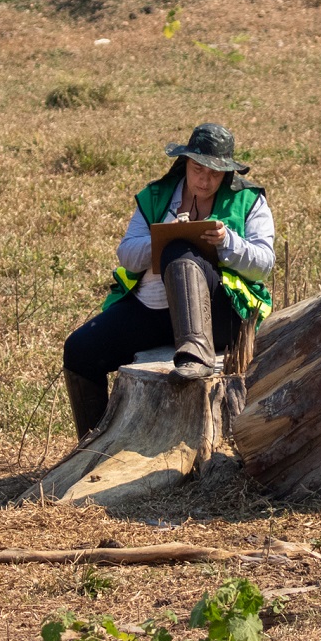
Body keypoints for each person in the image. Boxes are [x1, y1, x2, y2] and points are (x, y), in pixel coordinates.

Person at [62, 123, 274, 439]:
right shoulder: (157, 196)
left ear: (227, 172)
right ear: (184, 163)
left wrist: (226, 242)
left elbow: (264, 264)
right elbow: (127, 254)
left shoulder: (248, 200)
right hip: (152, 310)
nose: (206, 179)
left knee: (181, 249)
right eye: (198, 169)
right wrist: (161, 236)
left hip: (220, 316)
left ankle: (196, 352)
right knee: (79, 351)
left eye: (216, 173)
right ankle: (92, 446)